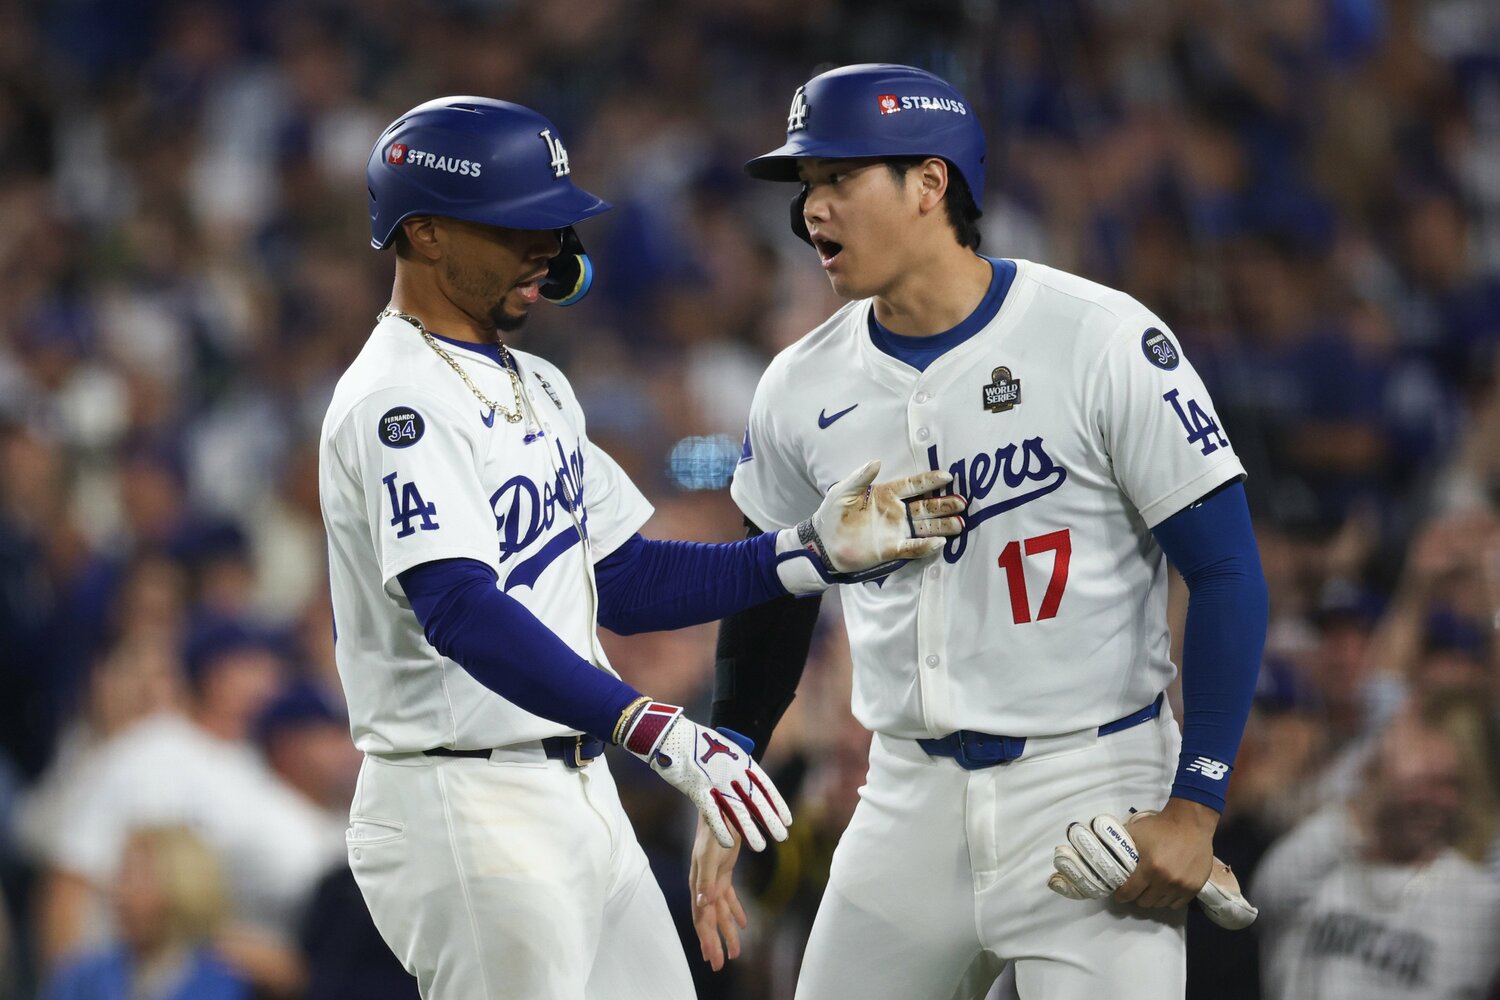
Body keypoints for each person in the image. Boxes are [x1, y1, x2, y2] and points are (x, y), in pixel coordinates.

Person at [319, 95, 965, 1000]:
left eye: (553, 221)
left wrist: (808, 551)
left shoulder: (533, 382)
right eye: (517, 226)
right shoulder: (399, 399)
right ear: (424, 233)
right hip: (463, 802)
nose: (547, 246)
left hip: (576, 793)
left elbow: (622, 576)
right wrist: (648, 723)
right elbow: (458, 607)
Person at [691, 64, 1269, 999]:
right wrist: (736, 767)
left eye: (841, 179)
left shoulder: (1100, 338)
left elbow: (1230, 571)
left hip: (1091, 786)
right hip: (904, 799)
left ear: (931, 183)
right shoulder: (798, 384)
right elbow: (773, 589)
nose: (813, 213)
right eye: (807, 189)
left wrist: (1195, 806)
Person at [1251, 706, 1500, 999]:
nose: (1429, 797)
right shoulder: (1321, 861)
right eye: (1419, 779)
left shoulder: (1478, 901)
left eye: (1445, 782)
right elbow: (1266, 895)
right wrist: (1373, 796)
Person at [42, 825, 250, 1000]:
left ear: (181, 885)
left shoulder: (221, 983)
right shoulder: (84, 977)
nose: (118, 891)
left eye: (135, 877)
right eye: (121, 875)